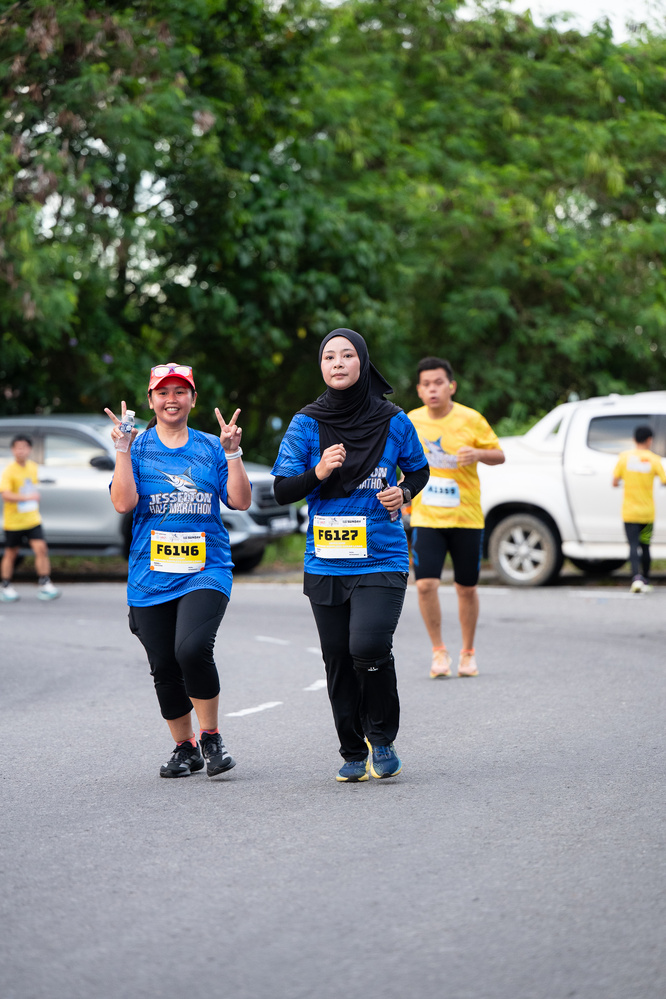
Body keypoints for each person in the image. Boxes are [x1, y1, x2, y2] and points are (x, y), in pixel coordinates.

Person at [272, 329, 429, 782]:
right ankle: (352, 748)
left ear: (363, 362)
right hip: (325, 561)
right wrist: (319, 470)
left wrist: (403, 492)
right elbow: (282, 489)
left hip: (382, 556)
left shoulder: (394, 420)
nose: (337, 363)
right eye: (329, 357)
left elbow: (419, 470)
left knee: (369, 647)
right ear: (321, 367)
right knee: (338, 659)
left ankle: (382, 736)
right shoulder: (306, 424)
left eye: (346, 355)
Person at [106, 362, 252, 778]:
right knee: (164, 665)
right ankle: (185, 748)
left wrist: (233, 452)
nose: (172, 399)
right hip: (150, 575)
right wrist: (122, 449)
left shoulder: (210, 446)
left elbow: (240, 501)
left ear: (193, 399)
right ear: (151, 400)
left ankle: (211, 738)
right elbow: (123, 503)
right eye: (163, 392)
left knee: (191, 649)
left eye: (180, 391)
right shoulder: (137, 448)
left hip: (206, 569)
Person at [407, 357, 504, 679]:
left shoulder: (471, 419)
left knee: (466, 588)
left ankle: (468, 652)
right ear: (419, 390)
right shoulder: (410, 421)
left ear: (451, 386)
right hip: (427, 517)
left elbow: (499, 455)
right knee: (425, 585)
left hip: (466, 517)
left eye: (438, 383)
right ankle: (438, 651)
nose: (433, 389)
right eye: (426, 384)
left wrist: (478, 454)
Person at [1, 434, 61, 602]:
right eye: (18, 447)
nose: (21, 451)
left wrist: (32, 498)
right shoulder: (9, 471)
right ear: (13, 450)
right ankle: (5, 585)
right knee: (11, 553)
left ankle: (45, 582)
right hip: (14, 521)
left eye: (24, 447)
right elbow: (6, 494)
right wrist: (27, 498)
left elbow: (31, 488)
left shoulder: (33, 467)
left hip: (32, 518)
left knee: (41, 548)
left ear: (29, 449)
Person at [612, 424, 666, 593]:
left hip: (629, 513)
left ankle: (636, 579)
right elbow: (664, 480)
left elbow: (614, 481)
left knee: (633, 545)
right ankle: (646, 580)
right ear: (649, 440)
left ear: (634, 439)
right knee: (646, 546)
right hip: (647, 514)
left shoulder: (624, 458)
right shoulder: (654, 459)